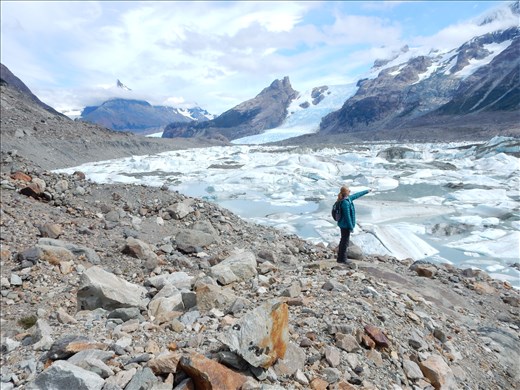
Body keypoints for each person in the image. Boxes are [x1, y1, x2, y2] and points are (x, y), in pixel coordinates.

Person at [336, 186, 371, 264]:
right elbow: (347, 216)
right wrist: (351, 227)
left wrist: (366, 191)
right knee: (345, 242)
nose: (350, 191)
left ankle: (340, 258)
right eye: (349, 190)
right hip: (345, 225)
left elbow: (356, 195)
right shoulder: (345, 202)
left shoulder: (347, 199)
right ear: (346, 192)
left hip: (343, 224)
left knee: (344, 241)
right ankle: (343, 259)